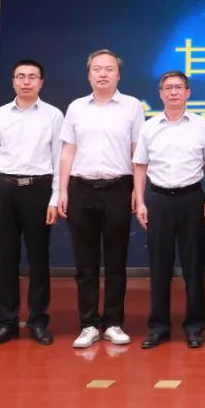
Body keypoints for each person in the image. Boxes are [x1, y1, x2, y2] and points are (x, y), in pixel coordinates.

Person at [58, 49, 145, 349]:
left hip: (118, 187)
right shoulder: (76, 107)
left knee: (116, 259)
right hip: (81, 188)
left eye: (109, 69)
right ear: (89, 75)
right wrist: (63, 190)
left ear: (118, 75)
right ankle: (88, 324)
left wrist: (136, 191)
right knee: (85, 262)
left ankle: (113, 322)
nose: (103, 74)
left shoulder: (132, 106)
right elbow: (68, 151)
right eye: (97, 69)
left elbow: (138, 152)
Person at [0, 59, 63, 348]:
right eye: (20, 76)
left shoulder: (53, 115)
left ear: (41, 82)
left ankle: (38, 321)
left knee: (38, 258)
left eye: (32, 77)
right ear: (13, 81)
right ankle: (7, 322)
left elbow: (59, 160)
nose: (26, 81)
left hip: (38, 189)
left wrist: (54, 198)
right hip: (4, 189)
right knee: (5, 259)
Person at [133, 70, 205, 349]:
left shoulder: (202, 125)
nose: (174, 92)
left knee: (194, 266)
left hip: (192, 199)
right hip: (159, 200)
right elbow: (140, 166)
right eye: (168, 88)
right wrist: (140, 201)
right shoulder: (149, 127)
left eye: (179, 87)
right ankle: (159, 328)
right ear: (161, 94)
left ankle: (194, 327)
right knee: (159, 267)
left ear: (188, 92)